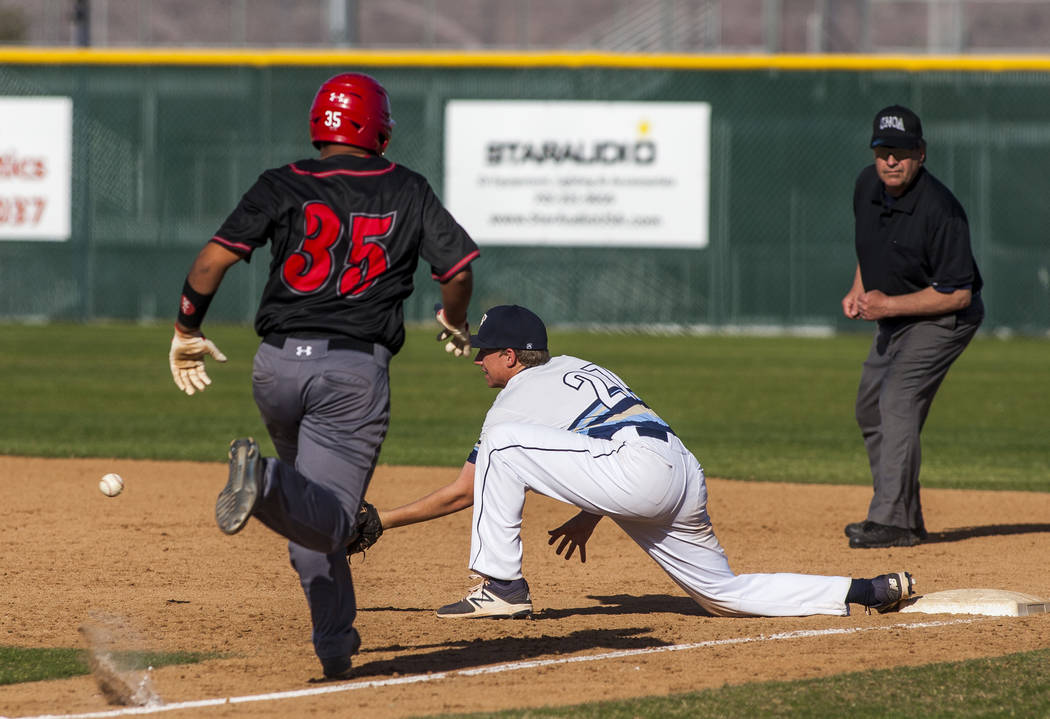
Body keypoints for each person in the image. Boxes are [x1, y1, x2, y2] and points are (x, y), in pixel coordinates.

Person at [166, 72, 480, 679]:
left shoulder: (282, 182)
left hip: (275, 366)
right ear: (380, 130)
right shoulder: (406, 187)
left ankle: (335, 646)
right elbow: (459, 269)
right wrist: (453, 317)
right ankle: (262, 482)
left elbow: (211, 261)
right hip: (350, 372)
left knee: (311, 518)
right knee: (332, 514)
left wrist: (185, 331)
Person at [370, 304, 915, 620]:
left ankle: (502, 588)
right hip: (679, 470)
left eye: (484, 352)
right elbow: (610, 436)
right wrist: (589, 510)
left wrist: (380, 522)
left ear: (511, 357)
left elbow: (466, 490)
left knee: (503, 446)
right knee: (721, 596)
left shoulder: (513, 398)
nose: (478, 361)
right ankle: (866, 590)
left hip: (635, 470)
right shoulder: (577, 366)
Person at [841, 105, 984, 549]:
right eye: (884, 150)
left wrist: (888, 304)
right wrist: (858, 289)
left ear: (920, 153)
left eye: (902, 152)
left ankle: (892, 522)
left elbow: (958, 293)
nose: (891, 160)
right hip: (895, 314)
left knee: (898, 399)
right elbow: (872, 249)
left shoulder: (942, 210)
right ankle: (906, 515)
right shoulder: (867, 185)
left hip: (944, 318)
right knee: (870, 408)